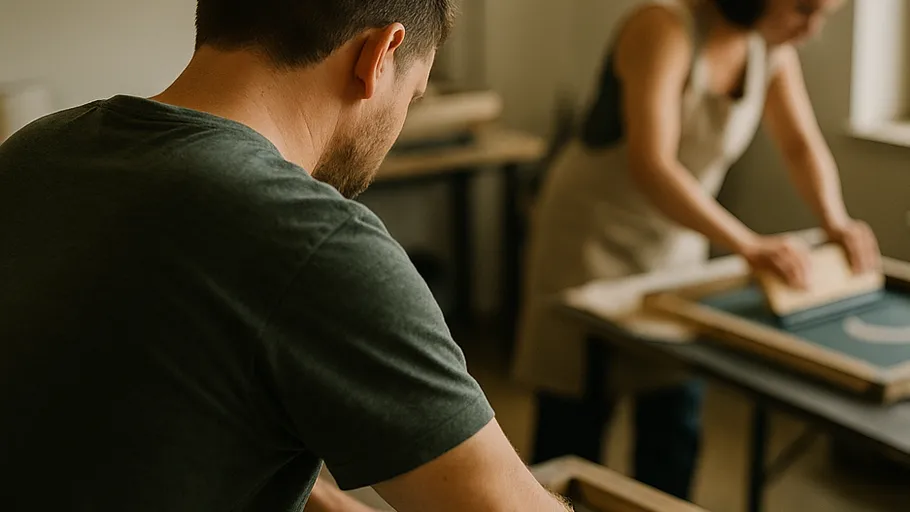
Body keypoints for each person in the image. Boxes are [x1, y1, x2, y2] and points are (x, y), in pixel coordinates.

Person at [0, 1, 573, 511]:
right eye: (414, 95)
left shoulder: (33, 152)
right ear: (381, 53)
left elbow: (122, 401)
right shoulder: (315, 241)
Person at [513, 0, 881, 501]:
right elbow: (652, 164)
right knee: (575, 419)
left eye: (823, 17)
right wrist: (748, 244)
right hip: (590, 238)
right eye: (803, 9)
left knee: (673, 424)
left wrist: (834, 219)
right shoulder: (663, 27)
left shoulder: (771, 53)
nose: (810, 29)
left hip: (677, 243)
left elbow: (800, 144)